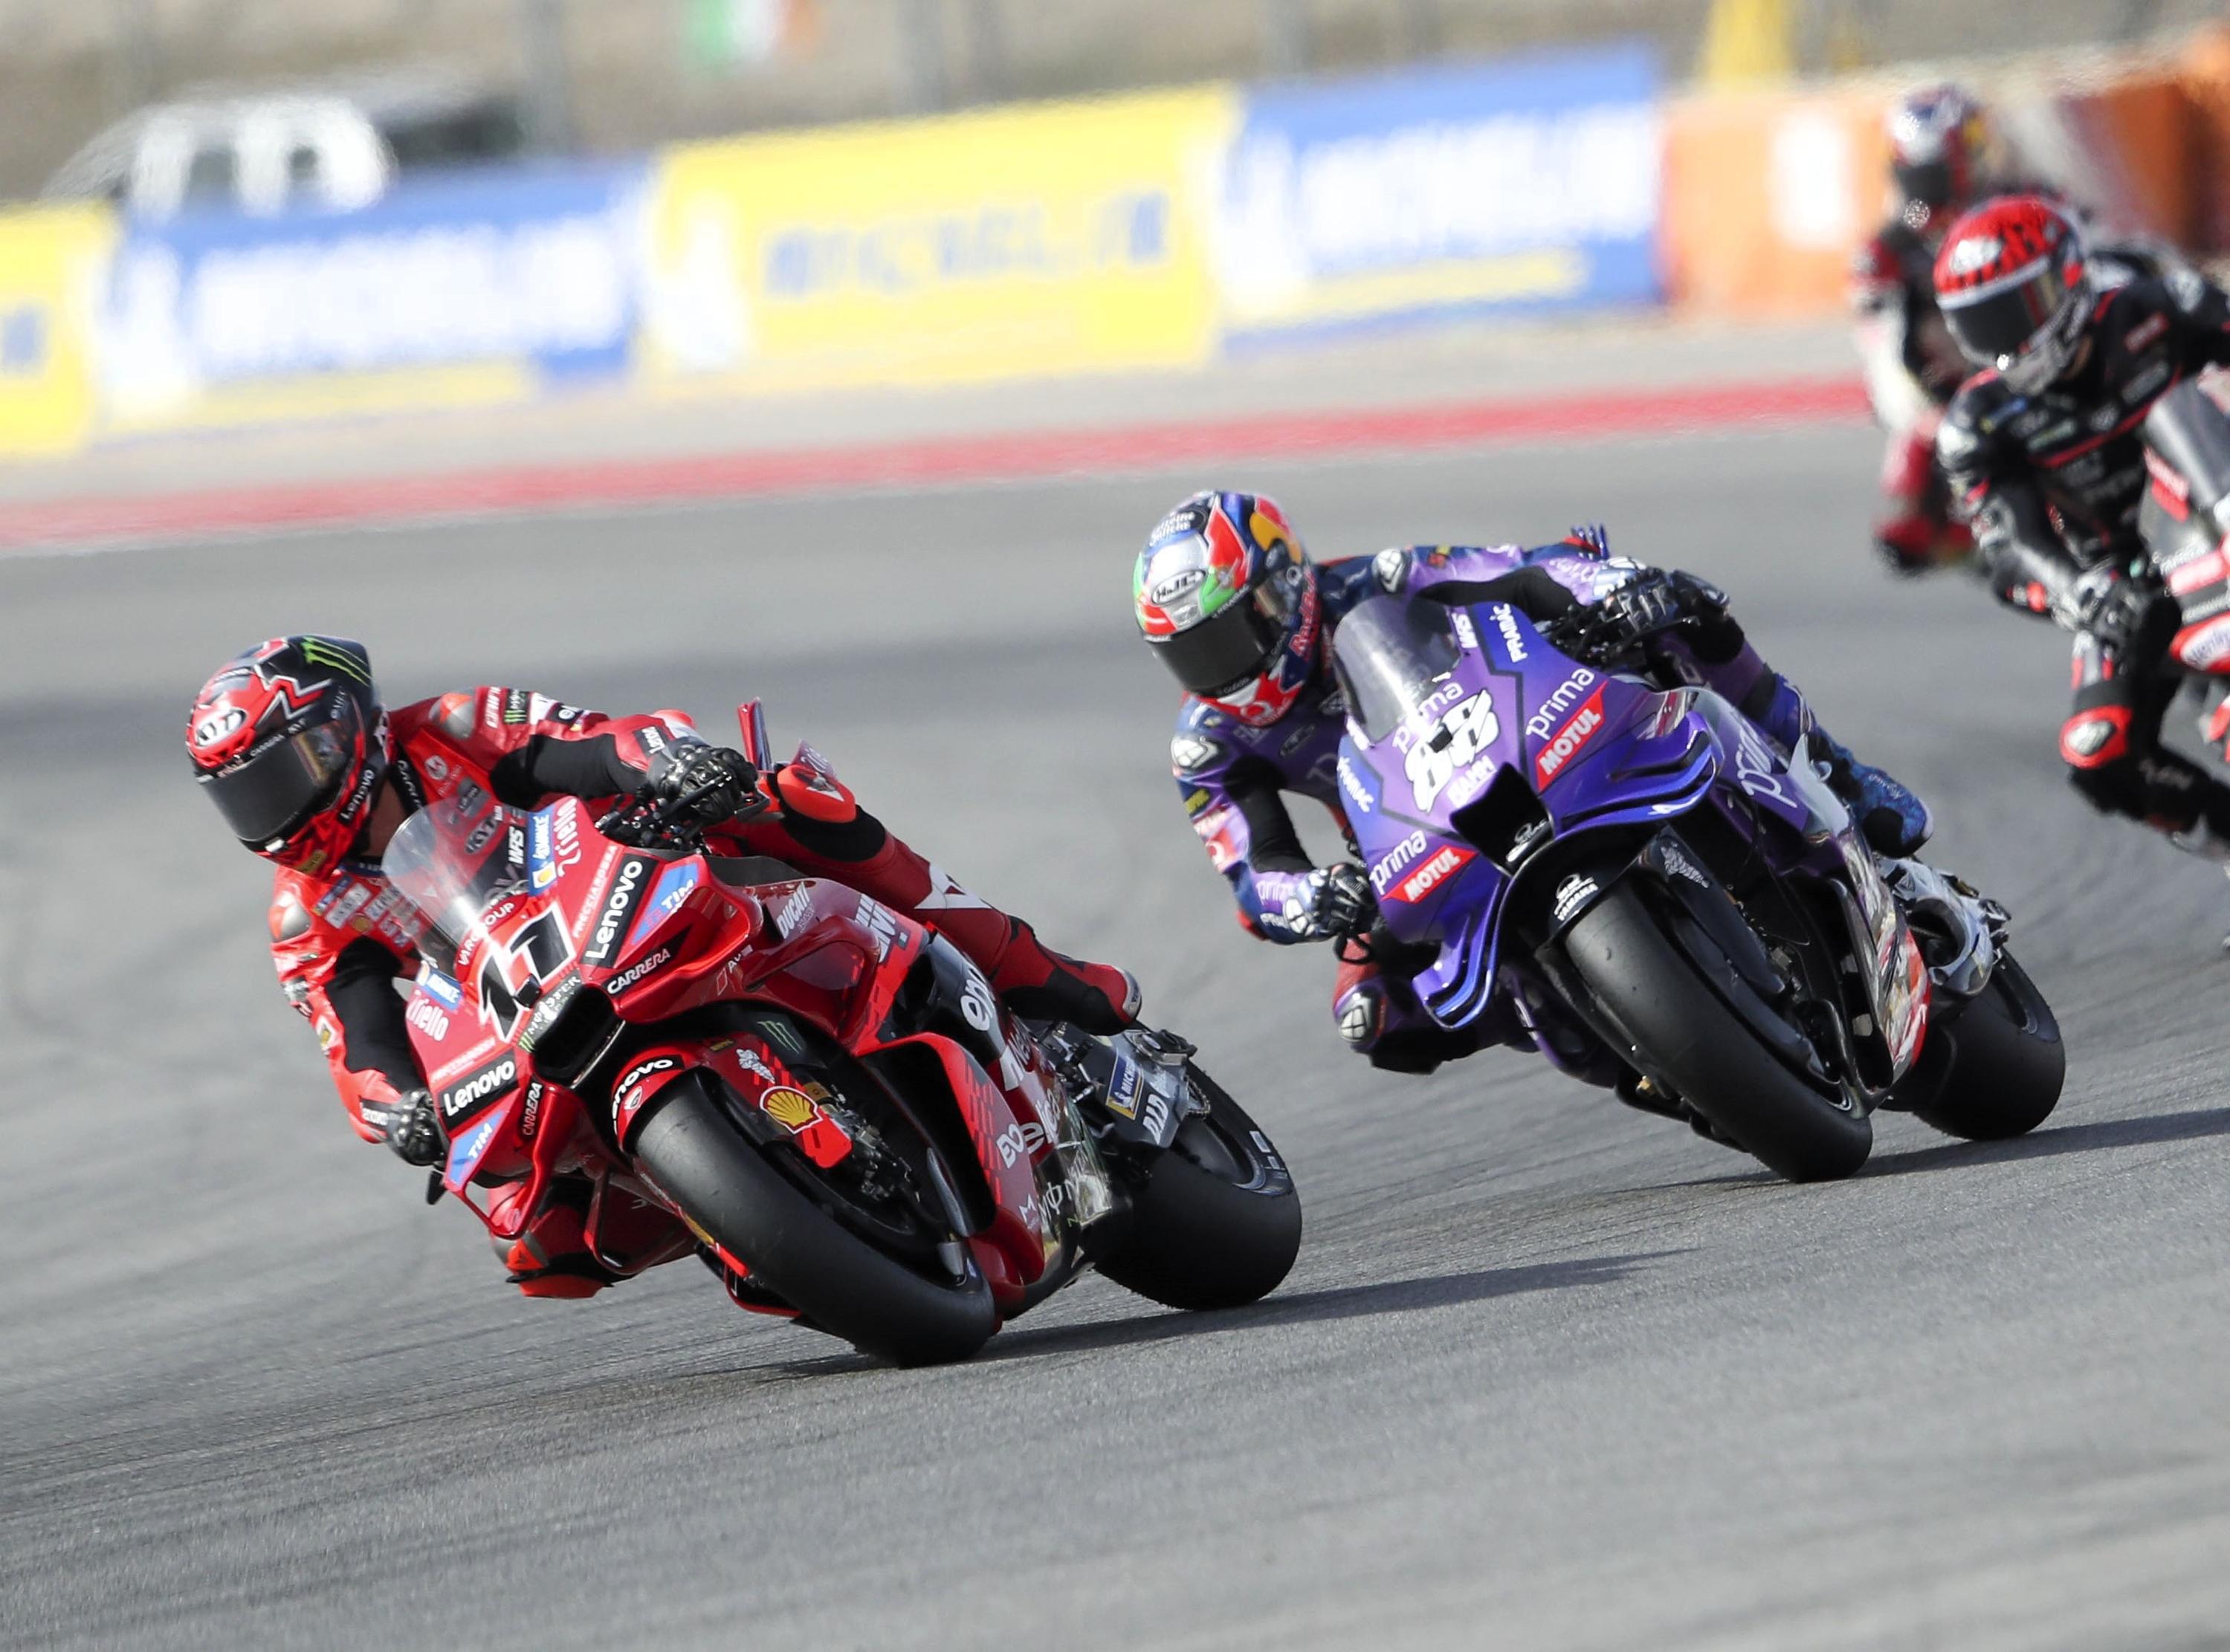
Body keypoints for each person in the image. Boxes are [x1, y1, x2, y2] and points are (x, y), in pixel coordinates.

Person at [187, 636, 1138, 1295]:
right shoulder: (305, 911)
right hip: (527, 1008)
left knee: (784, 804)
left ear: (344, 732)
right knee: (541, 1242)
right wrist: (395, 1105)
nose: (270, 817)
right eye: (241, 800)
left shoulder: (455, 726)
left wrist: (667, 767)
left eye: (278, 775)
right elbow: (355, 1035)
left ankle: (1025, 964)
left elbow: (595, 745)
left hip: (623, 881)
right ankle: (758, 1213)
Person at [1131, 492, 1930, 1072]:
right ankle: (1625, 1039)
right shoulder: (1209, 743)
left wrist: (1609, 587)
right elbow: (1252, 872)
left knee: (1681, 613)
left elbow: (1521, 572)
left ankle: (1839, 775)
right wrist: (1310, 898)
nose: (1225, 667)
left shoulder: (1374, 581)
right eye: (1195, 653)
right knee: (1369, 1017)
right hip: (1414, 845)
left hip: (1529, 734)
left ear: (1283, 588)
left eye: (1235, 631)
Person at [1931, 193, 2230, 865]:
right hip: (2132, 579)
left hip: (2220, 520)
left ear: (2069, 277)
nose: (2008, 335)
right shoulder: (1981, 422)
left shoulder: (2163, 308)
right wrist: (2084, 593)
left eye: (2018, 307)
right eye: (1983, 321)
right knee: (2099, 751)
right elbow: (2009, 550)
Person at [1851, 84, 2043, 573]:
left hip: (2018, 351)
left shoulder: (2015, 204)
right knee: (1924, 411)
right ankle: (1926, 510)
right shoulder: (1889, 249)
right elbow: (1882, 339)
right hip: (1939, 381)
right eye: (1968, 142)